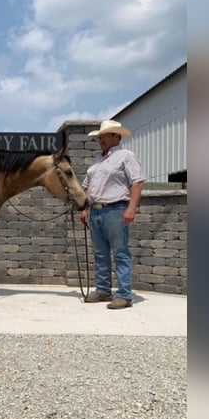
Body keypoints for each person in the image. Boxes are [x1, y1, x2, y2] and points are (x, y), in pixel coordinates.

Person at [80, 120, 146, 308]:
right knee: (100, 254)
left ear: (116, 136)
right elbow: (86, 187)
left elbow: (137, 182)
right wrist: (85, 209)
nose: (100, 139)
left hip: (116, 209)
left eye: (104, 136)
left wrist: (131, 208)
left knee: (120, 252)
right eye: (99, 136)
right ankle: (103, 290)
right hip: (96, 211)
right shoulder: (97, 161)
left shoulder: (126, 156)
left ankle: (124, 295)